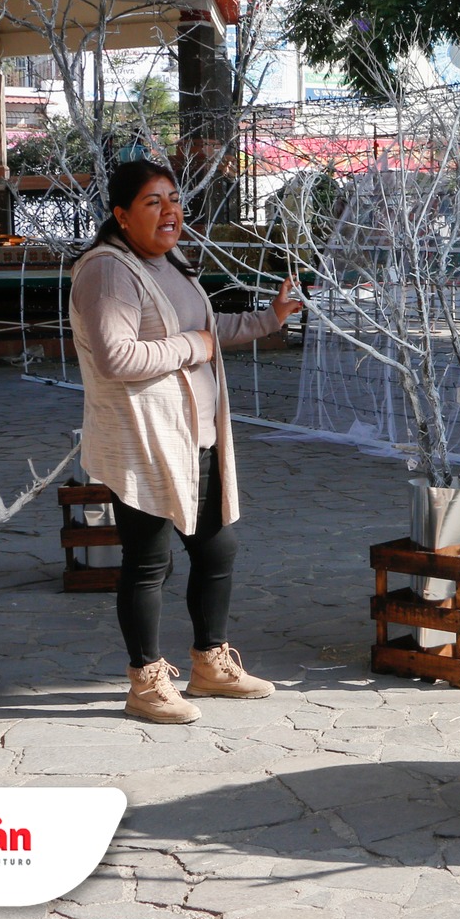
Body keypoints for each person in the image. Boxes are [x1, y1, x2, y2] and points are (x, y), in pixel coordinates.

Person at [70, 159, 302, 724]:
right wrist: (194, 345)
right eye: (153, 202)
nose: (170, 211)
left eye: (173, 199)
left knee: (216, 548)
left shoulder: (169, 262)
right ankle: (145, 681)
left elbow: (205, 330)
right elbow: (117, 356)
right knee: (149, 561)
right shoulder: (106, 271)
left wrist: (267, 319)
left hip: (195, 433)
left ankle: (209, 663)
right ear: (122, 215)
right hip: (145, 438)